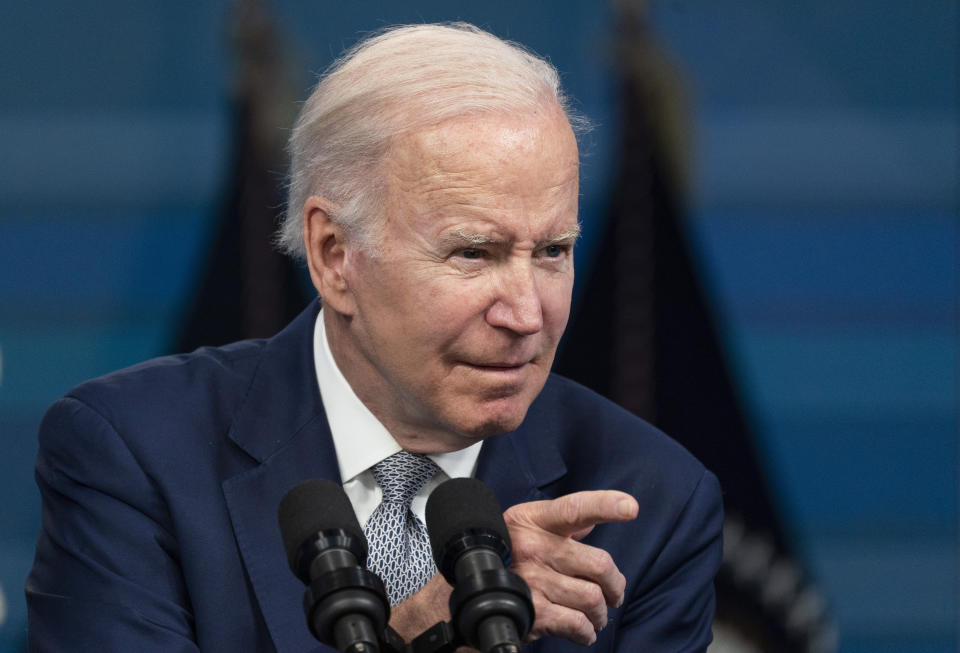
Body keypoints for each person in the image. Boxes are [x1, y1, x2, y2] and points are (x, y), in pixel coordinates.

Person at [26, 23, 722, 652]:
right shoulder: (132, 454)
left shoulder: (650, 501)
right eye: (474, 253)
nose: (526, 314)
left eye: (552, 251)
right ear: (333, 255)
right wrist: (421, 629)